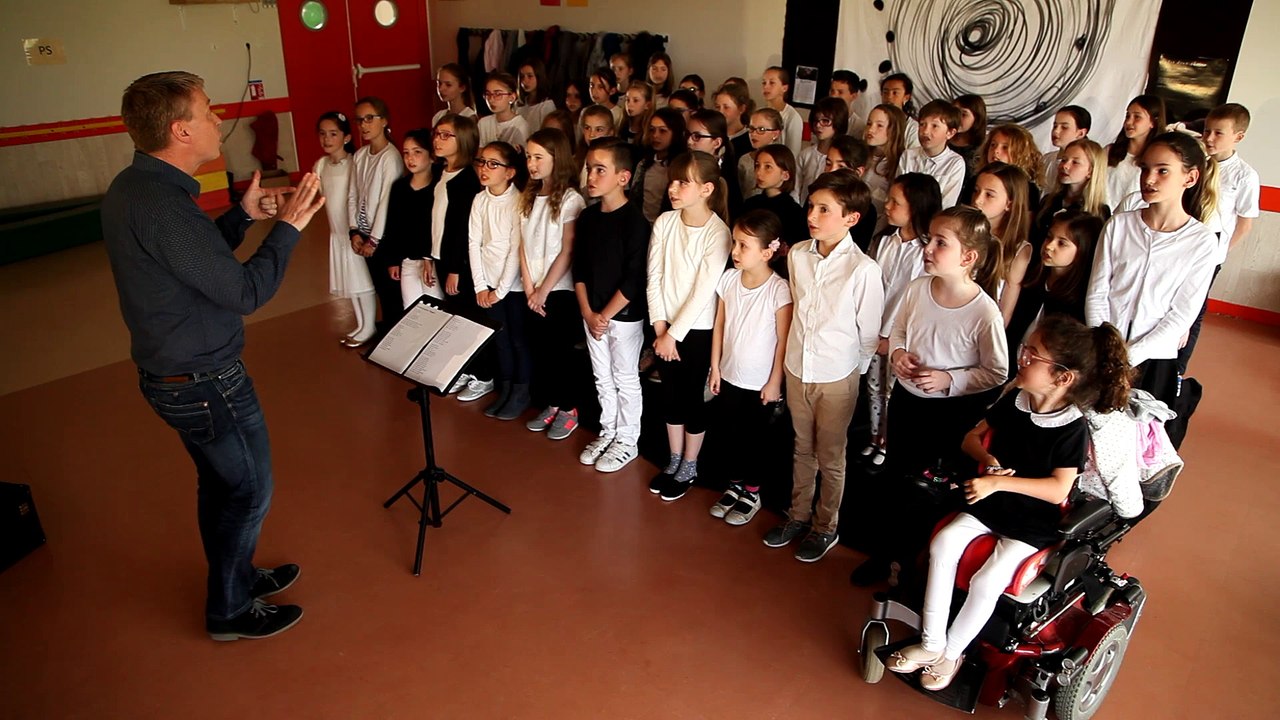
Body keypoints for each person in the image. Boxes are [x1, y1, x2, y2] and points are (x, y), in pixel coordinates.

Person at [103, 70, 326, 640]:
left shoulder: (138, 188)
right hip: (204, 383)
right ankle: (227, 609)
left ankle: (239, 577)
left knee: (221, 485)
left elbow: (196, 264)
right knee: (250, 491)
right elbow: (245, 292)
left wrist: (244, 217)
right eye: (208, 112)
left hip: (177, 376)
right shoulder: (163, 205)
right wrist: (290, 228)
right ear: (180, 131)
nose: (218, 120)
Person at [887, 315, 1129, 691]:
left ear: (1063, 377)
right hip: (990, 500)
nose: (1023, 357)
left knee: (988, 580)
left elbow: (1057, 490)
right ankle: (931, 644)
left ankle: (952, 653)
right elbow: (971, 438)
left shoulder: (1072, 428)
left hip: (1032, 520)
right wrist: (990, 463)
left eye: (1033, 355)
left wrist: (1001, 484)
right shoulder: (1014, 400)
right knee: (943, 543)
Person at [852, 206, 1008, 586]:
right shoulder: (917, 288)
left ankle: (911, 567)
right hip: (908, 403)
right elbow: (900, 331)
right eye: (930, 240)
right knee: (893, 479)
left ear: (968, 257)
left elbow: (996, 372)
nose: (929, 248)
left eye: (942, 243)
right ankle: (882, 554)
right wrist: (901, 354)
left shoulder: (984, 312)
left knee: (929, 490)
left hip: (950, 414)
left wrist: (948, 380)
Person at [762, 170, 883, 562]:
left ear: (851, 218)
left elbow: (868, 332)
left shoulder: (863, 270)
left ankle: (825, 526)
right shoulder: (798, 254)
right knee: (802, 447)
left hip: (837, 375)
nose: (812, 215)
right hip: (799, 366)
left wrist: (853, 372)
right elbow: (799, 307)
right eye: (811, 206)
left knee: (831, 454)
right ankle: (797, 515)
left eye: (824, 209)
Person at [1086, 131, 1217, 409]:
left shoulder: (1201, 241)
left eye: (1162, 171)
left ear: (1190, 178)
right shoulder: (1119, 225)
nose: (1149, 179)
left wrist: (1129, 357)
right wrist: (1105, 345)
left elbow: (1182, 314)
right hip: (1102, 352)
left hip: (1155, 359)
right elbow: (1098, 291)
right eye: (1145, 169)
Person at [646, 151, 734, 501]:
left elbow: (703, 291)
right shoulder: (665, 222)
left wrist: (673, 335)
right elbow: (654, 276)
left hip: (695, 331)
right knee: (669, 396)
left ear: (707, 188)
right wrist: (659, 329)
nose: (674, 188)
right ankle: (674, 458)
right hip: (664, 328)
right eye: (673, 180)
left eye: (684, 182)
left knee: (692, 399)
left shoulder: (718, 232)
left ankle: (691, 463)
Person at [707, 210, 793, 525]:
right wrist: (715, 367)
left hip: (759, 384)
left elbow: (783, 341)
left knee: (755, 439)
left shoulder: (779, 290)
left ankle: (752, 492)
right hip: (729, 375)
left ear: (768, 251)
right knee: (730, 433)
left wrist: (774, 382)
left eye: (744, 245)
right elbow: (720, 325)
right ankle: (733, 485)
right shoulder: (728, 280)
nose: (735, 251)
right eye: (735, 243)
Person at [574, 139, 651, 473]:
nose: (591, 175)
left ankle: (628, 440)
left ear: (623, 177)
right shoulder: (588, 218)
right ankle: (609, 431)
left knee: (624, 377)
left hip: (623, 317)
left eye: (600, 169)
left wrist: (604, 315)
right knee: (601, 377)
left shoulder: (635, 222)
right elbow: (578, 270)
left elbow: (634, 280)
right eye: (590, 168)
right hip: (592, 315)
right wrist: (588, 313)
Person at [861, 173, 941, 468]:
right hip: (873, 328)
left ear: (917, 207)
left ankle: (888, 440)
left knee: (892, 389)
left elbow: (913, 300)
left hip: (902, 337)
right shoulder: (884, 241)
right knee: (873, 386)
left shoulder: (924, 251)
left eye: (896, 202)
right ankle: (874, 437)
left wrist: (890, 337)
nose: (887, 206)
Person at [520, 128, 588, 439]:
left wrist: (544, 289)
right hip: (533, 289)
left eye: (538, 157)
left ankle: (569, 408)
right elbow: (522, 243)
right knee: (541, 351)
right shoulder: (529, 195)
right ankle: (551, 403)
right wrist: (528, 286)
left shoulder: (571, 198)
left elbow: (568, 248)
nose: (531, 164)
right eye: (528, 157)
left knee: (560, 352)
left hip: (557, 290)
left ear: (556, 159)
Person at [1181, 103, 1259, 374]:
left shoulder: (1245, 176)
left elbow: (1244, 224)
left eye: (1218, 133)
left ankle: (1178, 369)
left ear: (1238, 136)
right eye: (1206, 131)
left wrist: (1218, 252)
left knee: (1193, 311)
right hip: (1180, 245)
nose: (1209, 138)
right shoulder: (1195, 163)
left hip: (1209, 253)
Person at [427, 115, 490, 402]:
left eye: (446, 135)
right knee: (456, 318)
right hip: (441, 257)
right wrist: (431, 257)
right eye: (437, 134)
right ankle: (465, 368)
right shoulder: (443, 174)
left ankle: (483, 374)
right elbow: (437, 222)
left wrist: (455, 269)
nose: (438, 140)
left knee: (470, 319)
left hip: (458, 264)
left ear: (462, 141)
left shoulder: (466, 180)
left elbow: (462, 231)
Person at [469, 141, 530, 419]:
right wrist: (481, 286)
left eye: (494, 164)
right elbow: (474, 243)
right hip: (488, 287)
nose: (485, 169)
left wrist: (501, 290)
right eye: (482, 162)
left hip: (511, 288)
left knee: (518, 340)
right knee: (500, 340)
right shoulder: (480, 199)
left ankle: (520, 392)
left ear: (510, 172)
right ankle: (504, 389)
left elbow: (515, 248)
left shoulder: (517, 202)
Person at [313, 111, 375, 347]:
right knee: (351, 281)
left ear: (346, 137)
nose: (327, 139)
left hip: (353, 232)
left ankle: (368, 325)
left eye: (333, 134)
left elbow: (356, 198)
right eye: (322, 134)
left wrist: (356, 230)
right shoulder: (321, 165)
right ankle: (360, 324)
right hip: (337, 234)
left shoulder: (354, 163)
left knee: (362, 280)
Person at [347, 96, 405, 332]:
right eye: (360, 120)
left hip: (383, 236)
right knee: (378, 285)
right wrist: (354, 230)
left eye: (370, 118)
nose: (364, 125)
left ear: (384, 121)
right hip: (365, 231)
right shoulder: (360, 156)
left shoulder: (390, 158)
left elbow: (385, 202)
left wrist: (374, 239)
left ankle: (395, 331)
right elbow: (352, 194)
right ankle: (387, 327)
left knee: (390, 289)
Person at [1007, 211, 1102, 351]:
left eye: (1062, 243)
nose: (1049, 246)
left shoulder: (1078, 304)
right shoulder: (1032, 280)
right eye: (1049, 237)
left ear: (1082, 251)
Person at [971, 162, 1035, 325]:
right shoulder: (964, 231)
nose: (978, 200)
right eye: (976, 191)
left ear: (1009, 203)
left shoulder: (1019, 249)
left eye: (989, 195)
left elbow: (1005, 312)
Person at [381, 129, 437, 307]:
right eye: (406, 153)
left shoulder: (438, 186)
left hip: (432, 261)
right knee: (412, 310)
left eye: (417, 152)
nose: (410, 158)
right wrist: (392, 260)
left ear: (431, 155)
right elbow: (393, 226)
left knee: (436, 309)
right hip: (408, 260)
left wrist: (429, 259)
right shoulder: (400, 188)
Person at [1032, 138, 1110, 249]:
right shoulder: (1048, 201)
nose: (1065, 166)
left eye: (1075, 162)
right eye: (1064, 160)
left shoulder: (1099, 212)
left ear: (1091, 171)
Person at [897, 100, 965, 208]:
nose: (925, 131)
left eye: (934, 126)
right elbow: (898, 193)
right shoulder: (908, 155)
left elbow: (946, 204)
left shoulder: (955, 163)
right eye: (922, 124)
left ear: (950, 133)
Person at [742, 144, 808, 251]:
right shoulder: (750, 204)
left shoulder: (794, 213)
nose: (759, 172)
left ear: (785, 175)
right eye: (757, 166)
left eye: (768, 167)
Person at [1105, 95, 1165, 209]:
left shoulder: (1157, 160)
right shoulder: (1109, 152)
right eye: (1127, 116)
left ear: (1153, 122)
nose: (1129, 122)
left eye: (1137, 117)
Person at [629, 107, 687, 223]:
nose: (655, 135)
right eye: (652, 130)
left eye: (662, 131)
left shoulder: (682, 167)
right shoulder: (644, 164)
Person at [686, 108, 743, 221]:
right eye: (687, 134)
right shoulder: (682, 164)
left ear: (716, 142)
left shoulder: (726, 176)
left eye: (697, 137)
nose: (689, 141)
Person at [864, 103, 909, 233]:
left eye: (879, 125)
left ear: (894, 130)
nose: (871, 130)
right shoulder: (861, 155)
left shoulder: (900, 163)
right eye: (869, 123)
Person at [797, 97, 849, 205]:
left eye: (825, 121)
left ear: (838, 122)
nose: (818, 125)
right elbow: (796, 187)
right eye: (816, 120)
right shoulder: (805, 154)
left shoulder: (842, 159)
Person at [1040, 105, 1090, 191]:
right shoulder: (1046, 159)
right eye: (1055, 126)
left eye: (1064, 127)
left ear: (1081, 133)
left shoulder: (1087, 163)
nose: (1056, 131)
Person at [738, 107, 784, 202]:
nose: (754, 134)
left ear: (775, 134)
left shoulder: (783, 160)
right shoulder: (744, 159)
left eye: (761, 129)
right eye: (751, 129)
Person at [478, 73, 531, 150]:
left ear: (512, 97)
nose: (491, 99)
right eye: (488, 94)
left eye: (498, 94)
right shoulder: (483, 123)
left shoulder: (520, 125)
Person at [761, 66, 803, 156]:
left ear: (784, 88)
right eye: (764, 83)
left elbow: (793, 153)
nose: (766, 87)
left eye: (772, 83)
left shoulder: (792, 117)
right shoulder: (760, 112)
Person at [714, 82, 754, 160]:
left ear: (741, 109)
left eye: (726, 107)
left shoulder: (750, 140)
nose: (720, 112)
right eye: (717, 107)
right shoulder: (712, 136)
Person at [949, 94, 987, 175]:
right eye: (954, 112)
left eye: (963, 114)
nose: (957, 118)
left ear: (977, 118)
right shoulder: (943, 139)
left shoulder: (983, 148)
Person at [880, 73, 919, 149]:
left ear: (906, 97)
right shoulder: (875, 122)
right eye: (885, 92)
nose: (889, 97)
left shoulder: (912, 128)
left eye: (895, 93)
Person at [517, 59, 556, 131]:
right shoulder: (520, 104)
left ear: (539, 77)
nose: (524, 81)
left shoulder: (546, 105)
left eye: (530, 76)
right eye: (522, 76)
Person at [829, 69, 868, 137]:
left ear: (853, 96)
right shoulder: (821, 118)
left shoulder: (858, 127)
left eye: (840, 92)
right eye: (832, 91)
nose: (833, 96)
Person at [588, 67, 624, 133]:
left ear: (612, 91)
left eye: (601, 87)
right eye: (592, 85)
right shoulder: (586, 111)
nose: (594, 91)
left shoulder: (619, 114)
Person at [620, 80, 655, 145]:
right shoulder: (624, 125)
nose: (629, 104)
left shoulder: (650, 131)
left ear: (647, 105)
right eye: (627, 100)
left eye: (635, 100)